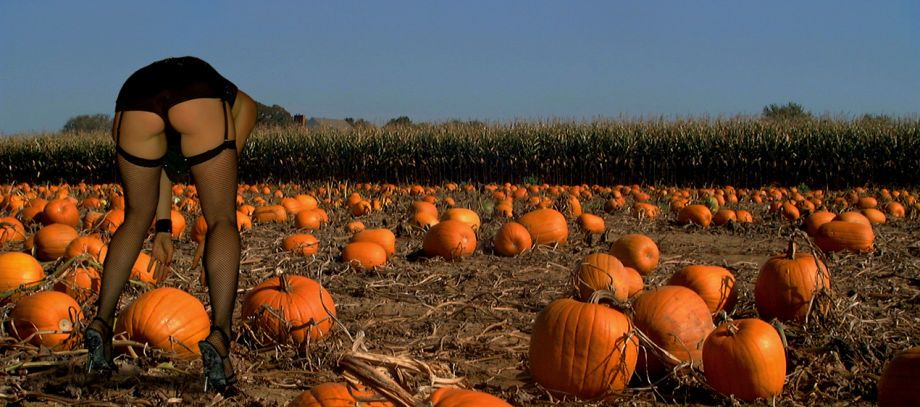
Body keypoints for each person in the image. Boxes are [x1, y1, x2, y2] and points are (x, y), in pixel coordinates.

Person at [84, 56, 257, 395]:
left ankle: (101, 323)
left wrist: (161, 228)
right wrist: (212, 226)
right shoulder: (241, 106)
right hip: (194, 92)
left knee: (134, 217)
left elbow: (158, 165)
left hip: (134, 98)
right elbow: (222, 183)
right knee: (224, 219)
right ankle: (220, 337)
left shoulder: (205, 106)